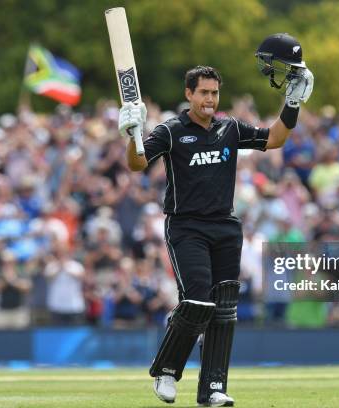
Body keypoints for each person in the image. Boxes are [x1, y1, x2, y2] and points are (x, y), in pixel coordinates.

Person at [121, 33, 313, 406]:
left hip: (226, 226)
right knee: (197, 302)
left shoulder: (231, 128)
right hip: (186, 226)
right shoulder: (172, 132)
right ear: (189, 94)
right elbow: (136, 164)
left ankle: (212, 389)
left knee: (224, 311)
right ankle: (166, 369)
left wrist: (292, 104)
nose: (210, 99)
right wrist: (131, 135)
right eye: (203, 93)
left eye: (214, 93)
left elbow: (274, 139)